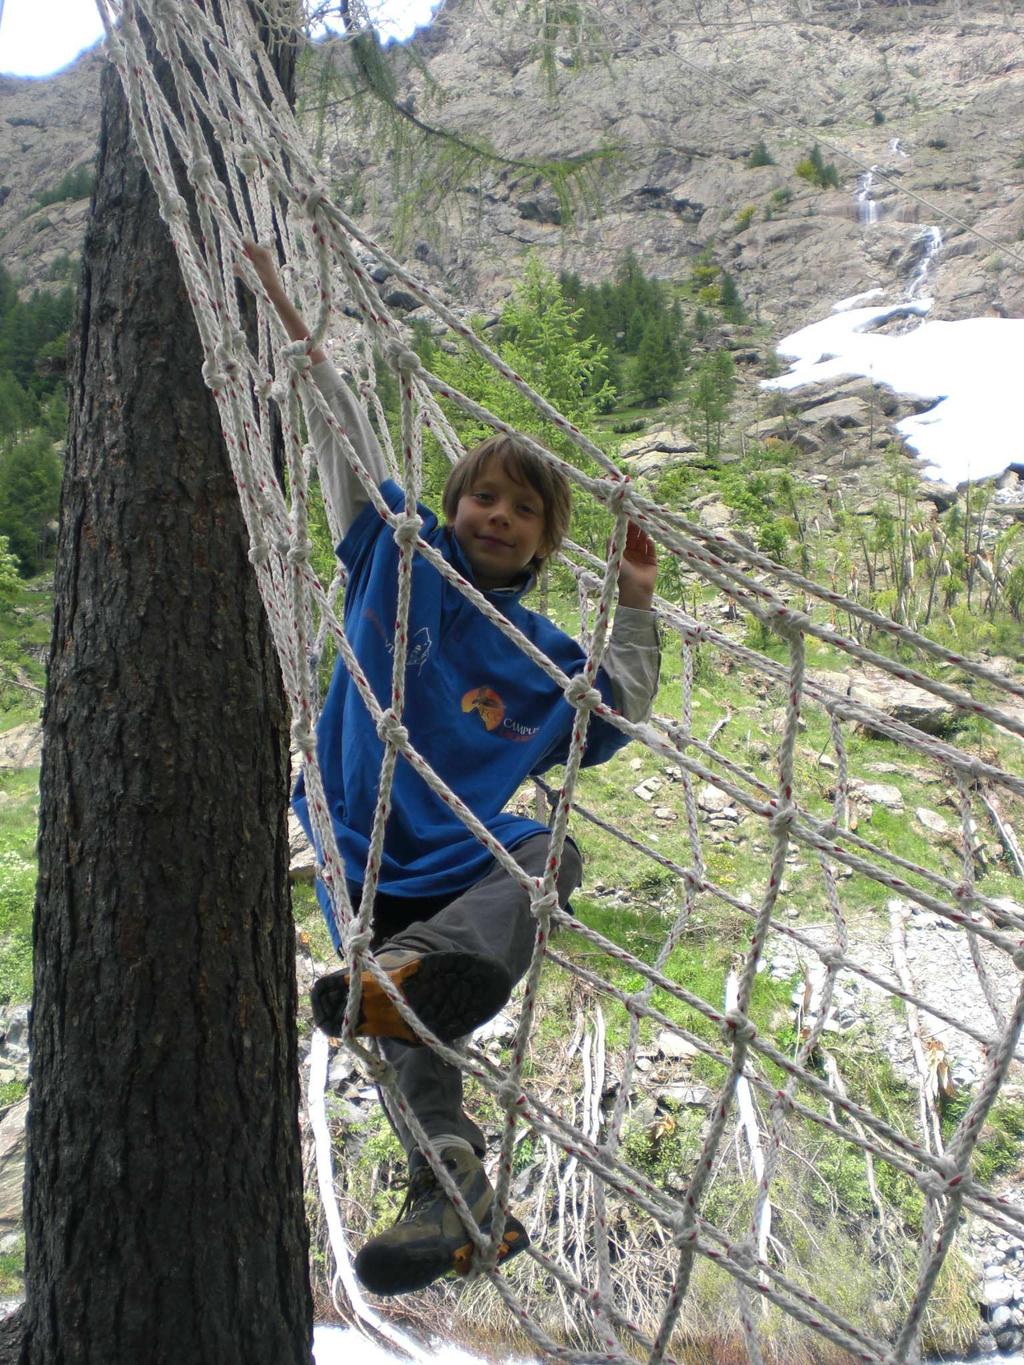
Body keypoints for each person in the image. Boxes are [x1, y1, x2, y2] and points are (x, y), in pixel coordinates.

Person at [240, 242, 661, 1296]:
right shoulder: (399, 553)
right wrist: (306, 342)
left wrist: (641, 602)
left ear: (542, 548)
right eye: (482, 495)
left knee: (547, 855)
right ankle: (454, 1193)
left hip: (464, 864)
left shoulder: (545, 659)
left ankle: (422, 986)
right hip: (364, 846)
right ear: (452, 502)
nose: (496, 516)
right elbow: (342, 446)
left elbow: (617, 704)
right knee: (413, 1055)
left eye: (522, 511)